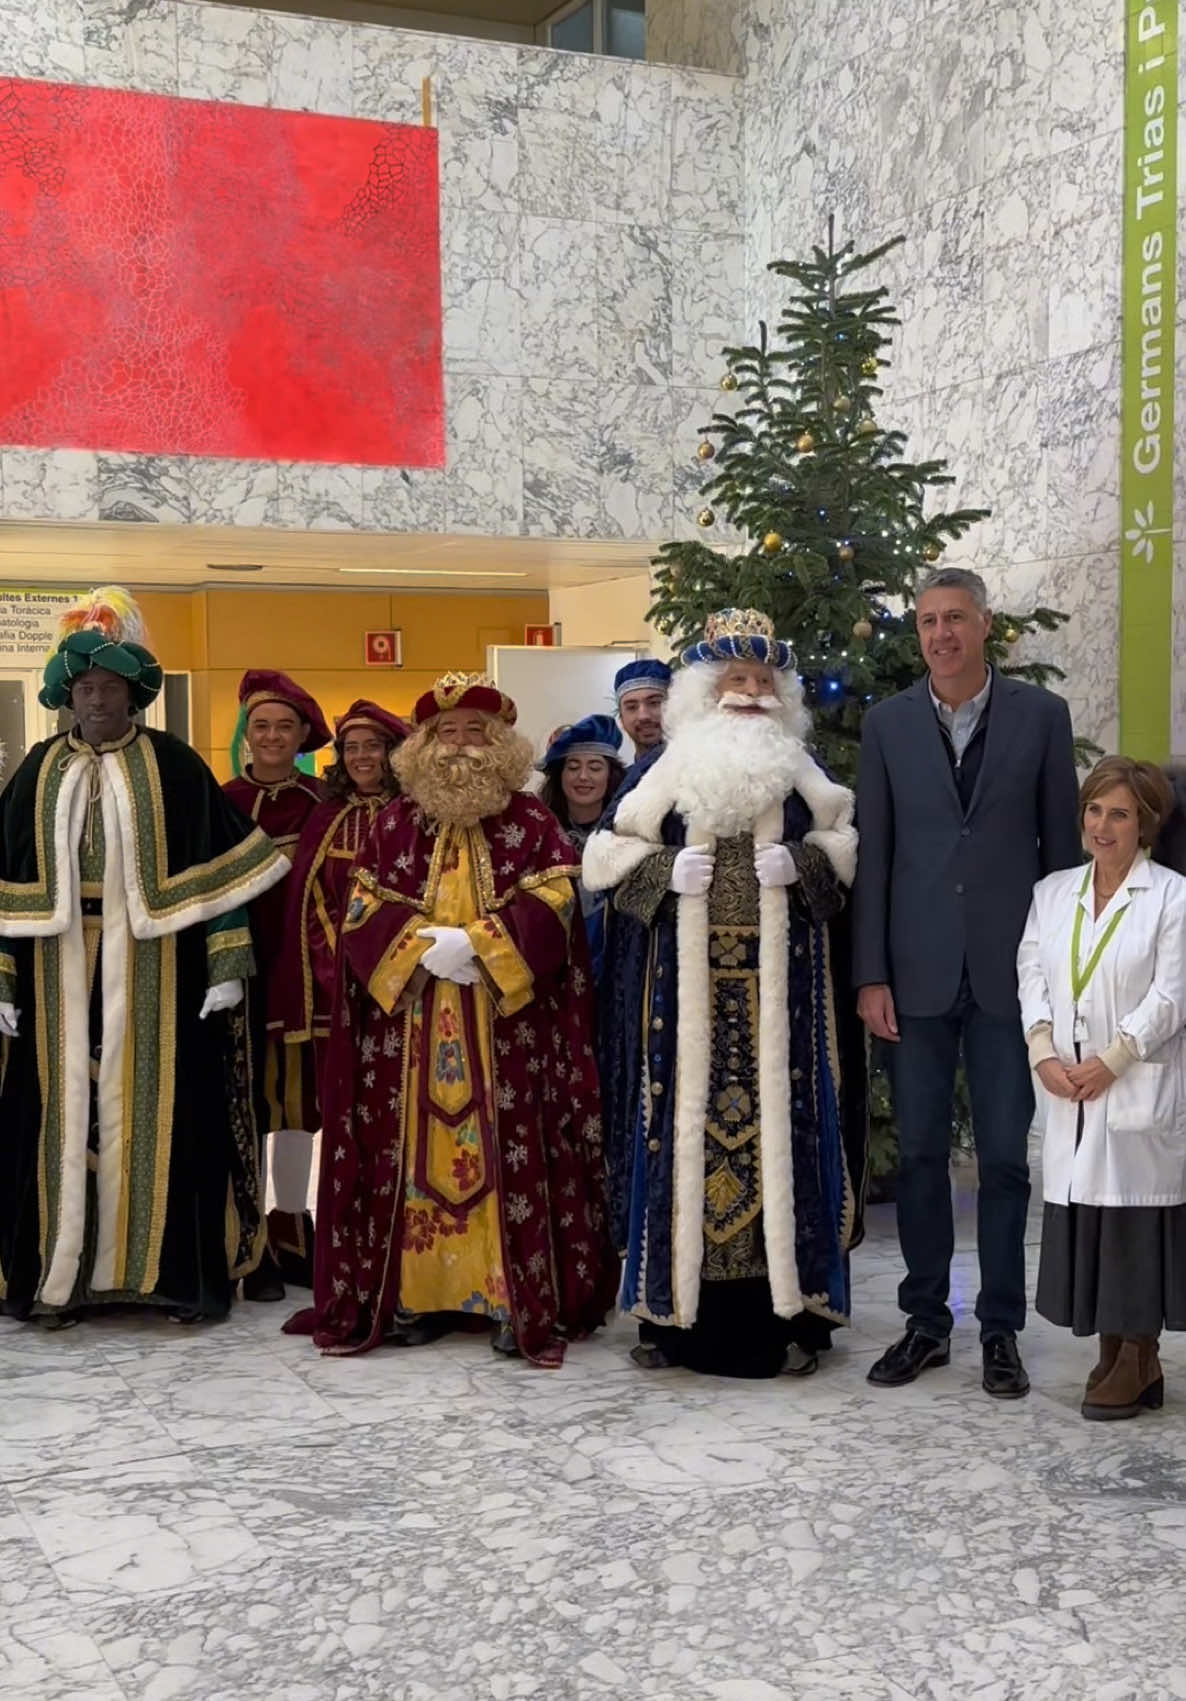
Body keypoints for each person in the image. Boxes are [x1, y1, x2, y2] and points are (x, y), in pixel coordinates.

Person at [289, 670, 618, 1364]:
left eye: (476, 732)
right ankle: (417, 1294)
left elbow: (559, 902)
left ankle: (507, 1295)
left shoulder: (531, 821)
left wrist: (482, 944)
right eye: (446, 733)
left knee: (509, 1156)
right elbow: (359, 910)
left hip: (508, 1029)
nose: (460, 747)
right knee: (408, 1158)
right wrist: (418, 946)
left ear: (500, 744)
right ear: (423, 746)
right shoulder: (392, 823)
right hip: (407, 1029)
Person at [584, 609, 867, 1378]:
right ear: (706, 691)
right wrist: (660, 876)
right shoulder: (664, 770)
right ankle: (677, 1319)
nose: (750, 693)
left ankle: (790, 1313)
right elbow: (604, 855)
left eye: (762, 681)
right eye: (735, 680)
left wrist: (806, 868)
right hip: (683, 1007)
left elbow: (844, 849)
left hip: (785, 1007)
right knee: (676, 1148)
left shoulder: (803, 772)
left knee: (789, 1143)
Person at [0, 588, 289, 1325]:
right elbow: (5, 884)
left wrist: (227, 969)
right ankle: (57, 1281)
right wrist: (0, 980)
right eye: (87, 687)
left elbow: (224, 874)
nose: (99, 699)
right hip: (54, 974)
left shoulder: (175, 764)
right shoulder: (35, 772)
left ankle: (171, 1276)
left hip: (163, 969)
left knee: (172, 1120)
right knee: (53, 1121)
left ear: (135, 695)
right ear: (68, 695)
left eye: (112, 687)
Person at [853, 566, 1081, 1398]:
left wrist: (1058, 982)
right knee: (915, 1155)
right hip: (911, 974)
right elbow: (875, 853)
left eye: (954, 618)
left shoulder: (1042, 718)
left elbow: (1061, 859)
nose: (940, 634)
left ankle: (1000, 1329)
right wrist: (870, 972)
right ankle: (924, 1321)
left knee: (1004, 1162)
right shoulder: (886, 724)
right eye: (926, 621)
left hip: (1009, 974)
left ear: (986, 625)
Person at [1019, 757, 1186, 1419]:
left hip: (1134, 1082)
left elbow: (1173, 993)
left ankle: (1137, 1355)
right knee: (1090, 1215)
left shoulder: (1171, 895)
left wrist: (1115, 1057)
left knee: (1134, 1221)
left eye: (1118, 813)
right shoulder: (1053, 892)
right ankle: (1116, 1350)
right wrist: (1043, 1051)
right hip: (1068, 1086)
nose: (1102, 824)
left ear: (1144, 824)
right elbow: (1032, 971)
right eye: (1094, 809)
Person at [223, 670, 330, 1299]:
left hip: (299, 977)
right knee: (241, 1101)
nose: (271, 736)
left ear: (302, 736)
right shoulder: (221, 800)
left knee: (293, 1103)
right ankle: (247, 1241)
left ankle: (292, 1228)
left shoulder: (322, 805)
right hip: (234, 972)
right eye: (260, 726)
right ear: (246, 733)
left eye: (283, 726)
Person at [273, 700, 407, 1081]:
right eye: (351, 747)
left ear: (392, 752)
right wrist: (342, 962)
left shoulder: (415, 814)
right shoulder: (327, 814)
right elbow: (309, 898)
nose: (361, 756)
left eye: (372, 746)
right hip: (335, 974)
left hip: (403, 974)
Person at [538, 715, 625, 979]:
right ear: (559, 775)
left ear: (610, 775)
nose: (583, 777)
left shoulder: (626, 833)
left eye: (595, 767)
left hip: (615, 968)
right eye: (573, 766)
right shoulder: (541, 833)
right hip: (554, 967)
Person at [614, 659, 672, 759]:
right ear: (621, 719)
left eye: (654, 703)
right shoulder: (625, 774)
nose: (644, 716)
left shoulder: (700, 769)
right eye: (632, 707)